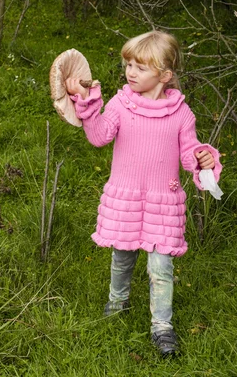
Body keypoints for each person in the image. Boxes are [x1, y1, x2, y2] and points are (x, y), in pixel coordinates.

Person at [66, 31, 222, 358]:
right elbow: (99, 136)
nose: (131, 72)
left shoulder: (181, 114)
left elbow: (188, 154)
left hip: (162, 203)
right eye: (129, 65)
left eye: (140, 67)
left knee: (161, 267)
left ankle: (161, 327)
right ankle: (117, 301)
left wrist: (201, 159)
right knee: (122, 257)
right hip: (126, 197)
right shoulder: (122, 104)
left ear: (164, 75)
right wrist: (89, 109)